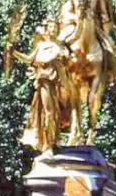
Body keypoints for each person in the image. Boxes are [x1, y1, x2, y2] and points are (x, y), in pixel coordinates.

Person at [7, 19, 72, 158]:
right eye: (51, 27)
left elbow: (68, 66)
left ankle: (55, 140)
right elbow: (29, 59)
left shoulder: (62, 47)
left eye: (55, 27)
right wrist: (14, 52)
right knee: (48, 112)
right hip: (46, 82)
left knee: (58, 114)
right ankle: (48, 144)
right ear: (47, 29)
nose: (53, 29)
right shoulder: (42, 46)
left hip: (60, 85)